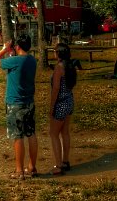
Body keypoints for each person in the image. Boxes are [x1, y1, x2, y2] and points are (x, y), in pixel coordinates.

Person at [0, 34, 38, 180]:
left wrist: (5, 49)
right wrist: (12, 53)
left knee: (18, 137)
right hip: (29, 102)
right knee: (31, 134)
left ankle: (19, 171)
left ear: (17, 47)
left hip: (14, 104)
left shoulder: (15, 61)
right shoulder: (31, 60)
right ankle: (32, 167)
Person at [49, 43, 76, 176]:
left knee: (53, 134)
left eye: (55, 51)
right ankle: (65, 161)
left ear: (59, 53)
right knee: (65, 132)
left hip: (60, 103)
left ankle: (58, 165)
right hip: (70, 101)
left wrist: (52, 106)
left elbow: (55, 88)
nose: (54, 53)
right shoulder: (70, 66)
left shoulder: (59, 68)